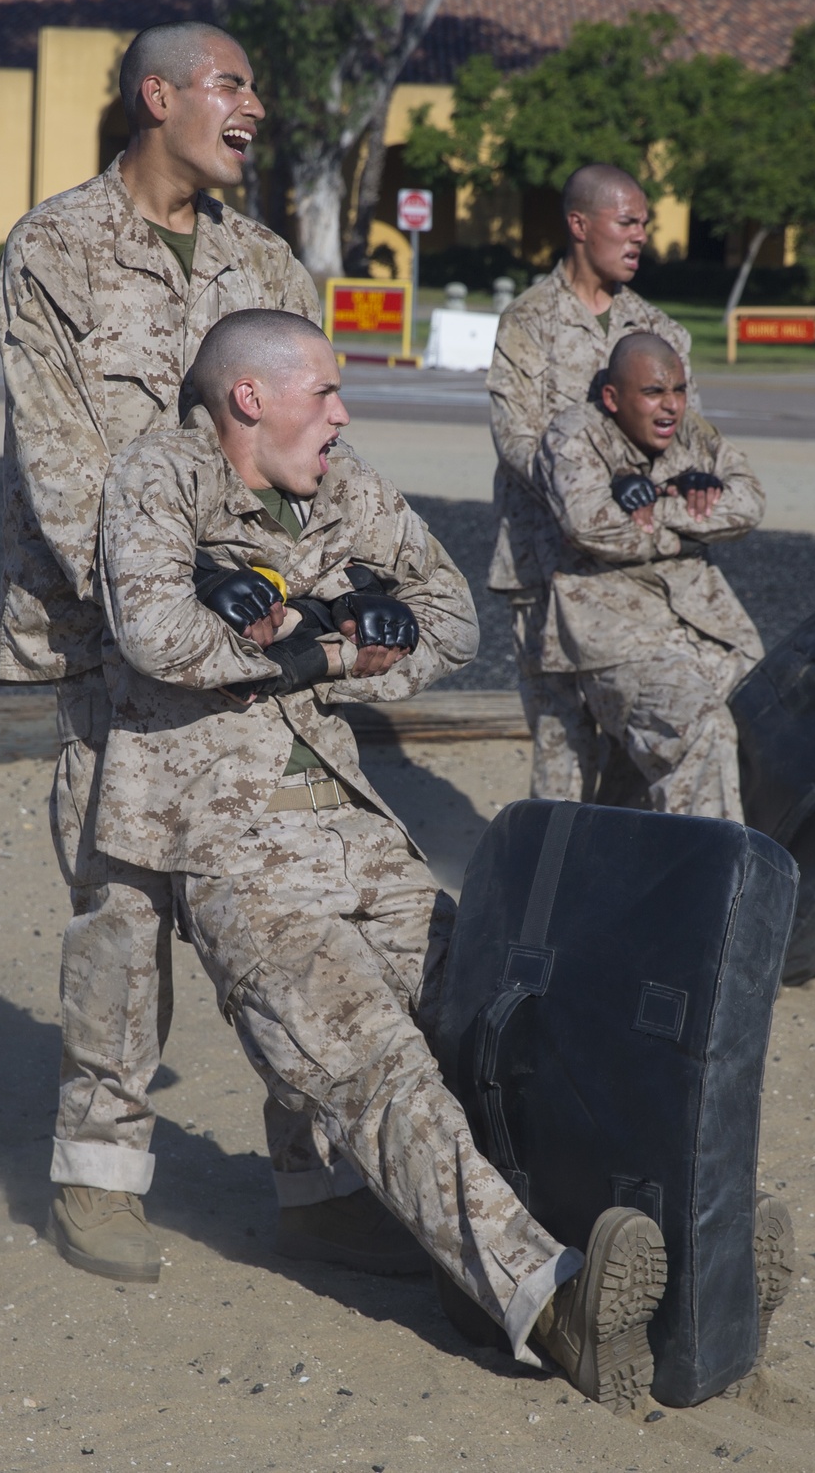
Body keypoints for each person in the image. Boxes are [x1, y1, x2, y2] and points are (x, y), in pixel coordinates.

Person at [96, 306, 669, 1413]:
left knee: (502, 1016)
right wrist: (331, 635)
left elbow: (448, 619)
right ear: (249, 399)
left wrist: (316, 644)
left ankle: (647, 1245)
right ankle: (552, 1304)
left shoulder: (340, 482)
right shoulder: (157, 480)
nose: (344, 414)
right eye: (324, 392)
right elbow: (159, 634)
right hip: (232, 854)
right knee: (376, 1072)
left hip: (357, 836)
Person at [0, 20, 398, 1283]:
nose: (257, 107)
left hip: (261, 649)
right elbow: (61, 470)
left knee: (286, 901)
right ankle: (98, 1176)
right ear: (156, 97)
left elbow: (313, 446)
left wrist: (325, 597)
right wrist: (169, 603)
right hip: (103, 644)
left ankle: (319, 1182)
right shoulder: (53, 248)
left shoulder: (267, 258)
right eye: (233, 84)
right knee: (121, 906)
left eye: (257, 86)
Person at [486, 164, 695, 802]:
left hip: (630, 573)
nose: (640, 237)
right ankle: (554, 897)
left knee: (642, 748)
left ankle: (623, 892)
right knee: (562, 744)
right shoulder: (528, 322)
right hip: (544, 566)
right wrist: (587, 493)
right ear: (580, 224)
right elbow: (514, 436)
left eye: (645, 225)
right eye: (626, 222)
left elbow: (682, 444)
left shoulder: (662, 334)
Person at [531, 332, 764, 821]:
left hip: (711, 631)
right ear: (614, 398)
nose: (671, 406)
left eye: (678, 390)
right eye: (654, 392)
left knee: (777, 718)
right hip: (617, 642)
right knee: (701, 729)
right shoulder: (575, 437)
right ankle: (712, 885)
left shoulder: (693, 433)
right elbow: (589, 525)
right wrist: (693, 528)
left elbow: (749, 502)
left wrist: (660, 500)